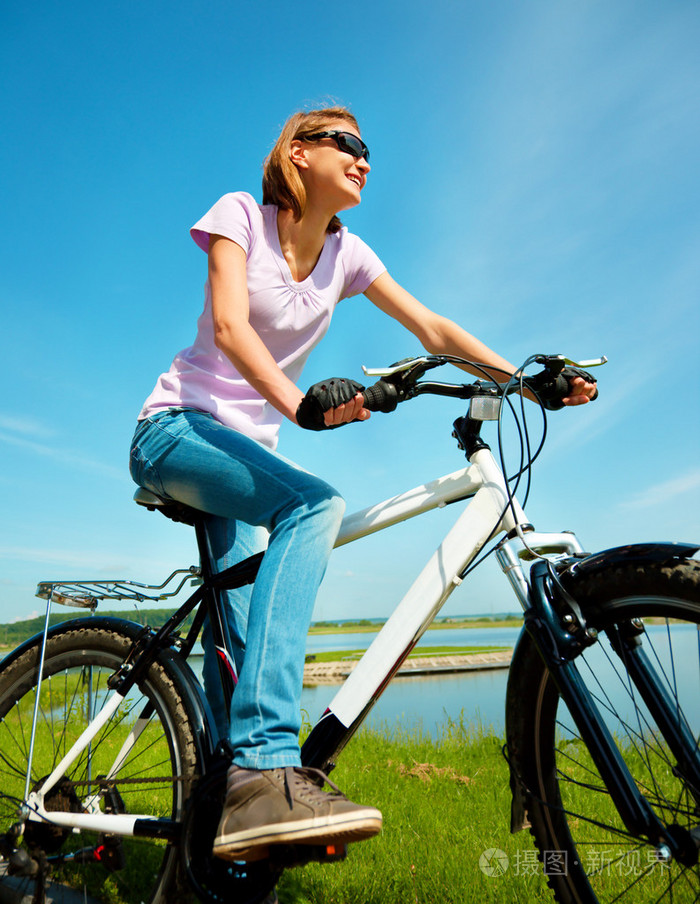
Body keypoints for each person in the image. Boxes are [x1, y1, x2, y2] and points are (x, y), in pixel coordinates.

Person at [129, 105, 597, 862]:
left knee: (241, 652)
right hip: (177, 432)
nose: (363, 160)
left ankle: (223, 822)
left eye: (368, 149)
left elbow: (433, 329)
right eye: (346, 145)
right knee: (314, 503)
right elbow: (227, 326)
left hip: (244, 458)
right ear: (298, 152)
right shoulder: (240, 216)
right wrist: (300, 410)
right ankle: (266, 769)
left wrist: (525, 380)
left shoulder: (346, 254)